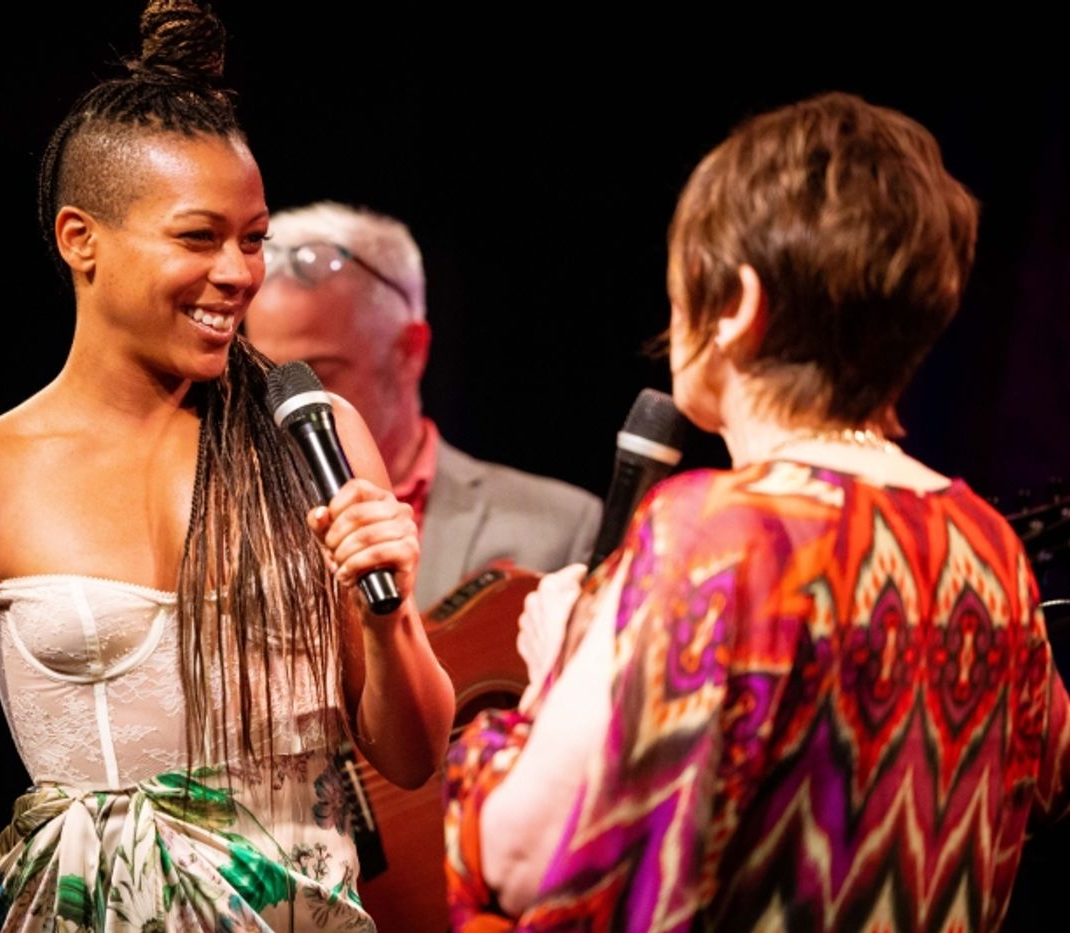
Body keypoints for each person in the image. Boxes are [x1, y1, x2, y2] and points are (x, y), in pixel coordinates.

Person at [0, 3, 454, 930]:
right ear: (79, 239)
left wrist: (389, 620)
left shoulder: (312, 435)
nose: (238, 273)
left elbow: (413, 755)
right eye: (198, 237)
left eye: (253, 238)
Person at [443, 92, 1070, 931]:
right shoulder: (989, 546)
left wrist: (560, 672)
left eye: (679, 293)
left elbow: (524, 858)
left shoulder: (719, 535)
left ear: (736, 304)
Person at [243, 202, 603, 608]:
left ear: (409, 353)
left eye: (320, 375)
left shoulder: (559, 526)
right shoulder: (223, 518)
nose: (287, 409)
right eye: (271, 381)